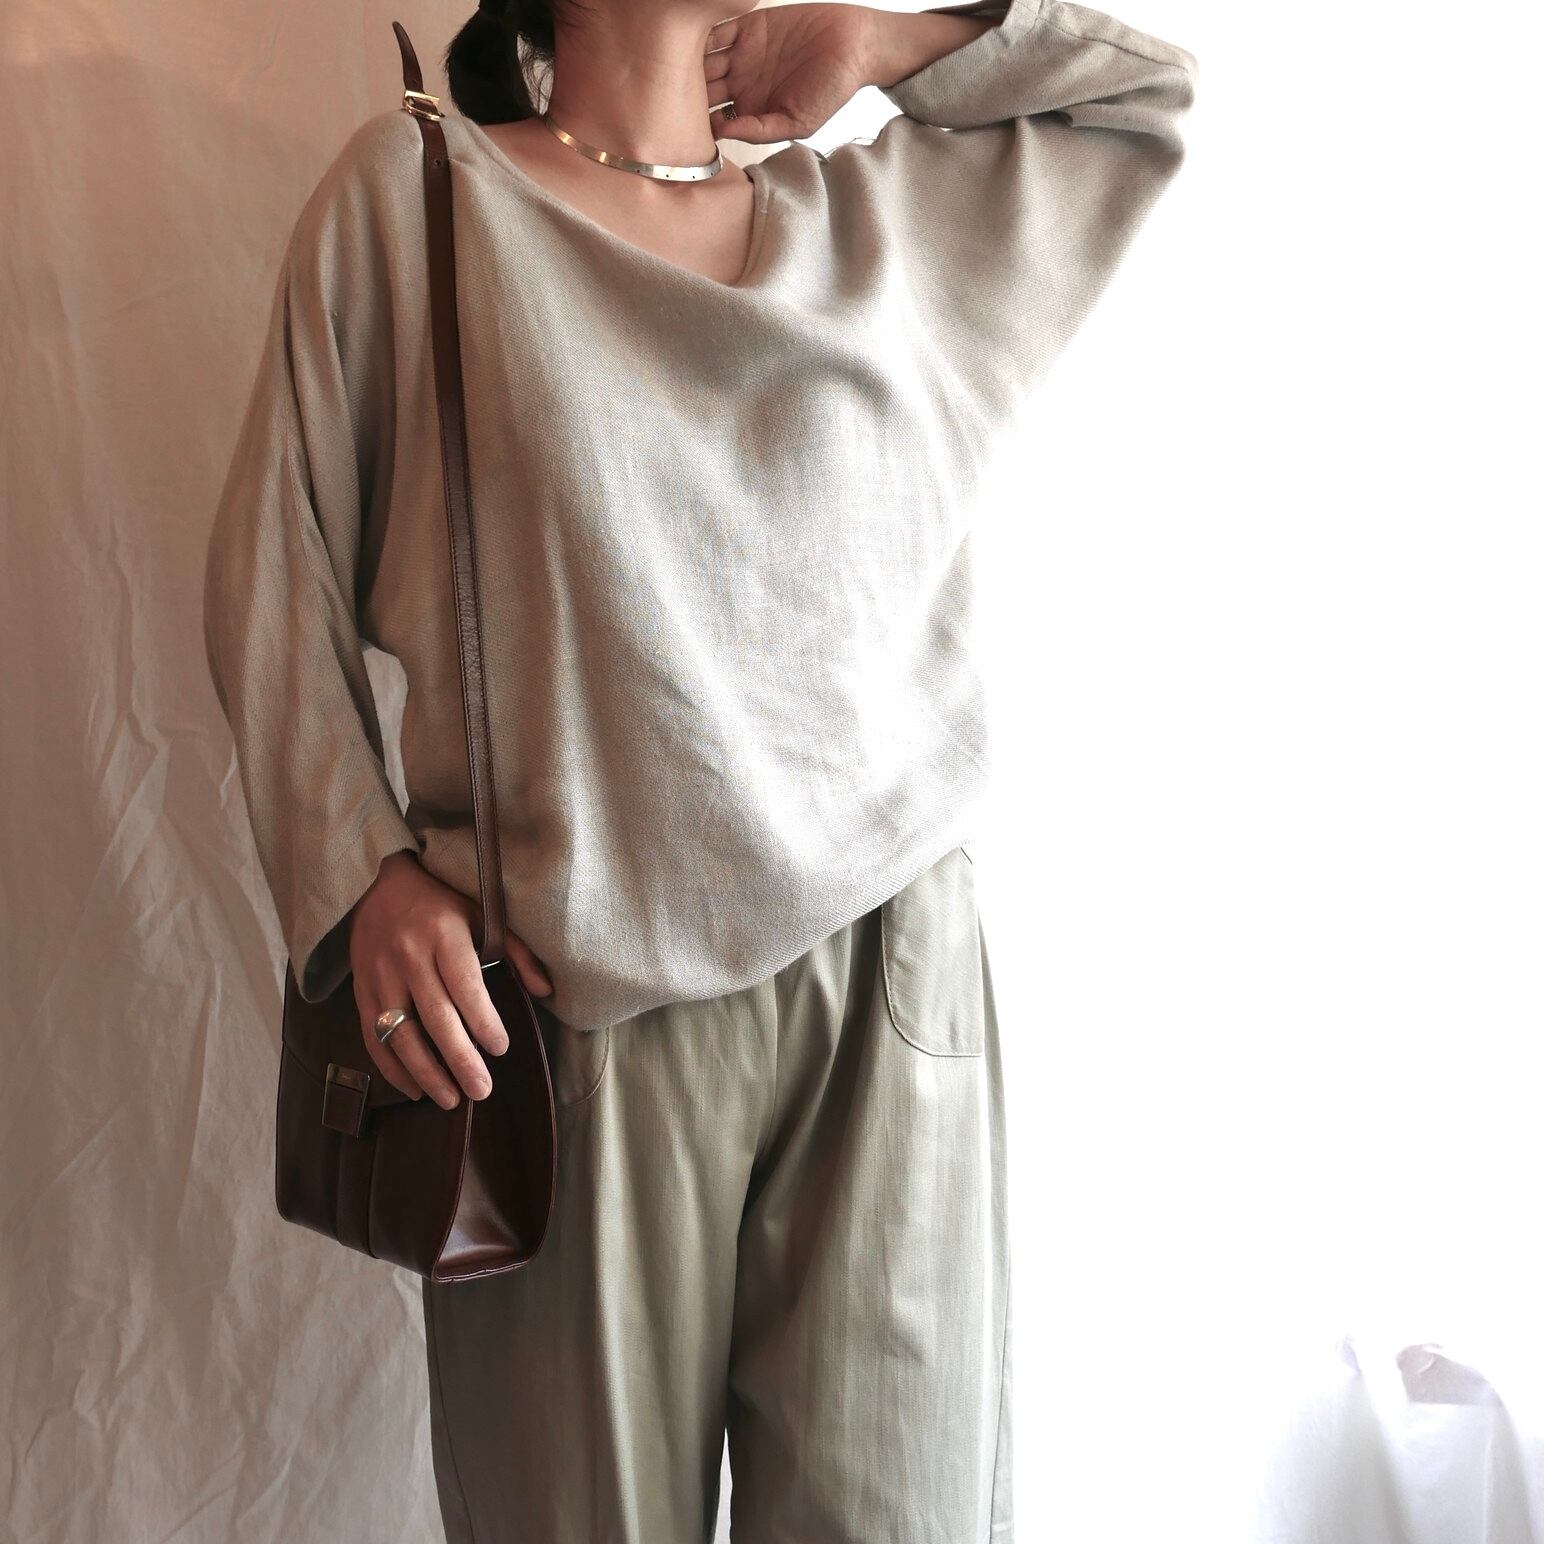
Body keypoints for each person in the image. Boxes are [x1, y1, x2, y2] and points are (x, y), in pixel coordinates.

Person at [201, 0, 1197, 1537]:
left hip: (891, 1003)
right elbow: (270, 576)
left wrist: (881, 45)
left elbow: (1137, 100)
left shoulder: (880, 225)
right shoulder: (420, 202)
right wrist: (363, 879)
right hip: (568, 1027)